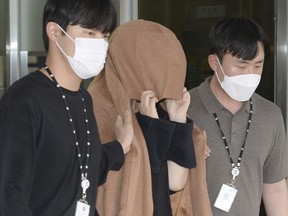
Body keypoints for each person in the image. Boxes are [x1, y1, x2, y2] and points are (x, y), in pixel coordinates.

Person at [0, 0, 133, 215]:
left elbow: (79, 169)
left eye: (105, 36)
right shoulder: (24, 101)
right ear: (54, 31)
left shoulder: (83, 98)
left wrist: (120, 146)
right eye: (90, 33)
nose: (101, 43)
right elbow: (10, 195)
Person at [88, 19, 212, 216]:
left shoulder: (160, 106)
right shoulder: (100, 110)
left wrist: (177, 120)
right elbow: (122, 185)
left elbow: (175, 182)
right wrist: (151, 126)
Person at [188, 17, 288, 216]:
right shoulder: (184, 109)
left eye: (258, 65)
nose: (250, 74)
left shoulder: (271, 115)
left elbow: (275, 187)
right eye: (241, 67)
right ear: (215, 63)